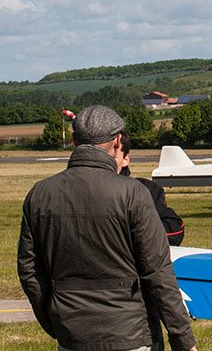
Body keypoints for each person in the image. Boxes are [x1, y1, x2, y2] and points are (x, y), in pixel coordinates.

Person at [17, 105, 196, 351]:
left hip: (71, 334)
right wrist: (182, 338)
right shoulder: (133, 193)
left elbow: (29, 271)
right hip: (130, 333)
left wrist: (55, 321)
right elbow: (157, 271)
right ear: (118, 140)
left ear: (74, 140)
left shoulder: (40, 193)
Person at [117, 133, 186, 351]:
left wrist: (141, 234)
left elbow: (175, 229)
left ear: (126, 158)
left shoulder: (146, 190)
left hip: (141, 308)